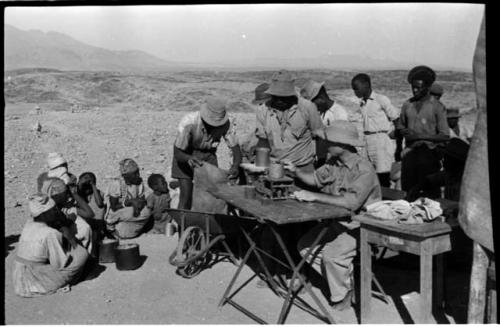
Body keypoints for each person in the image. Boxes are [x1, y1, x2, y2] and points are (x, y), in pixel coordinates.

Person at [283, 121, 381, 311]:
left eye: (330, 141)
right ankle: (344, 279)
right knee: (304, 247)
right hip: (337, 222)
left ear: (342, 145)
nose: (326, 145)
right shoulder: (333, 163)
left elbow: (352, 203)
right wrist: (295, 170)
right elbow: (315, 179)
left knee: (331, 256)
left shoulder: (363, 169)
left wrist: (314, 196)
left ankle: (343, 294)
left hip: (360, 227)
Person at [172, 96, 242, 209]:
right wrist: (189, 158)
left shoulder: (227, 123)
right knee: (186, 197)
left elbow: (236, 149)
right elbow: (177, 153)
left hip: (208, 155)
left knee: (212, 196)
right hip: (185, 154)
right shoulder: (189, 123)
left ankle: (207, 222)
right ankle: (182, 223)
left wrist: (235, 166)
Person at [13, 193, 89, 297]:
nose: (57, 212)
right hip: (33, 279)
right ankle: (74, 279)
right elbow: (59, 264)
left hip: (18, 273)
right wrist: (69, 236)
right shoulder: (51, 233)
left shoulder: (29, 223)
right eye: (54, 210)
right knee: (82, 254)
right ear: (44, 214)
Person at [255, 70, 324, 172]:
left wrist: (321, 165)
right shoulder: (263, 110)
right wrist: (262, 165)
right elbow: (263, 141)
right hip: (275, 167)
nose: (279, 100)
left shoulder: (307, 108)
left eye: (283, 97)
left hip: (303, 167)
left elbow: (320, 137)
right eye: (276, 96)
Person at [397, 66, 449, 198]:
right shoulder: (407, 104)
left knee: (429, 195)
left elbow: (444, 135)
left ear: (427, 87)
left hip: (429, 157)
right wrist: (402, 138)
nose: (415, 90)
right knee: (408, 193)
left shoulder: (437, 107)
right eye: (413, 87)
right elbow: (400, 126)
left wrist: (420, 136)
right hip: (409, 156)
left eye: (418, 87)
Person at [351, 73, 400, 187]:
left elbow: (396, 118)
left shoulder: (381, 99)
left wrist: (397, 142)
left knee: (382, 174)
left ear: (366, 85)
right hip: (367, 141)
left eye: (356, 89)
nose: (355, 92)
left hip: (380, 141)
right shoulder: (363, 103)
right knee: (369, 173)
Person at [301, 80, 349, 167]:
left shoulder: (339, 113)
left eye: (313, 104)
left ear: (321, 98)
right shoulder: (319, 113)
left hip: (334, 161)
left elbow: (342, 141)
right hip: (321, 158)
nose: (313, 107)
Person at [44, 178, 95, 255]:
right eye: (65, 194)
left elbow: (89, 214)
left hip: (73, 246)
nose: (68, 196)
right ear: (57, 196)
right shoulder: (47, 211)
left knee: (85, 227)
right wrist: (69, 220)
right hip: (58, 249)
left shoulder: (66, 208)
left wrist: (74, 193)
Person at [105, 158, 151, 239]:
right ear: (126, 175)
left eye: (138, 172)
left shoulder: (138, 183)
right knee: (131, 212)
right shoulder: (116, 184)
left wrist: (138, 204)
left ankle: (126, 230)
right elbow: (113, 207)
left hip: (131, 210)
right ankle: (111, 228)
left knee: (147, 211)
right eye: (135, 173)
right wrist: (129, 202)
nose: (138, 175)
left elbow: (142, 199)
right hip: (118, 211)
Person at [77, 172, 107, 238]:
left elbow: (99, 204)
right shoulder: (80, 194)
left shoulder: (98, 193)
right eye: (85, 178)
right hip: (86, 224)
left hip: (98, 223)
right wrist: (81, 183)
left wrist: (93, 185)